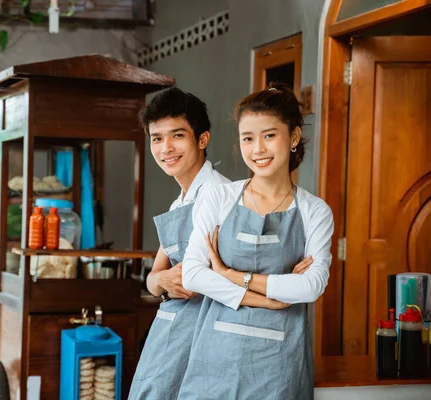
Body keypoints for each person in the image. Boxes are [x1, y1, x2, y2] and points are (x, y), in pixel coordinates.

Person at [178, 83, 334, 399]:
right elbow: (193, 274)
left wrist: (228, 274)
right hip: (215, 360)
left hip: (279, 368)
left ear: (292, 137)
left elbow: (312, 285)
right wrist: (269, 297)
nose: (258, 149)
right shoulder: (218, 198)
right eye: (248, 138)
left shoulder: (314, 211)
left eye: (269, 135)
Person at [129, 87, 231, 399]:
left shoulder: (219, 195)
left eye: (177, 135)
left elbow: (189, 280)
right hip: (177, 328)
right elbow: (153, 278)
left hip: (206, 332)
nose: (166, 148)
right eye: (157, 138)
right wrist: (160, 280)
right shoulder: (180, 201)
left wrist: (161, 280)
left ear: (202, 139)